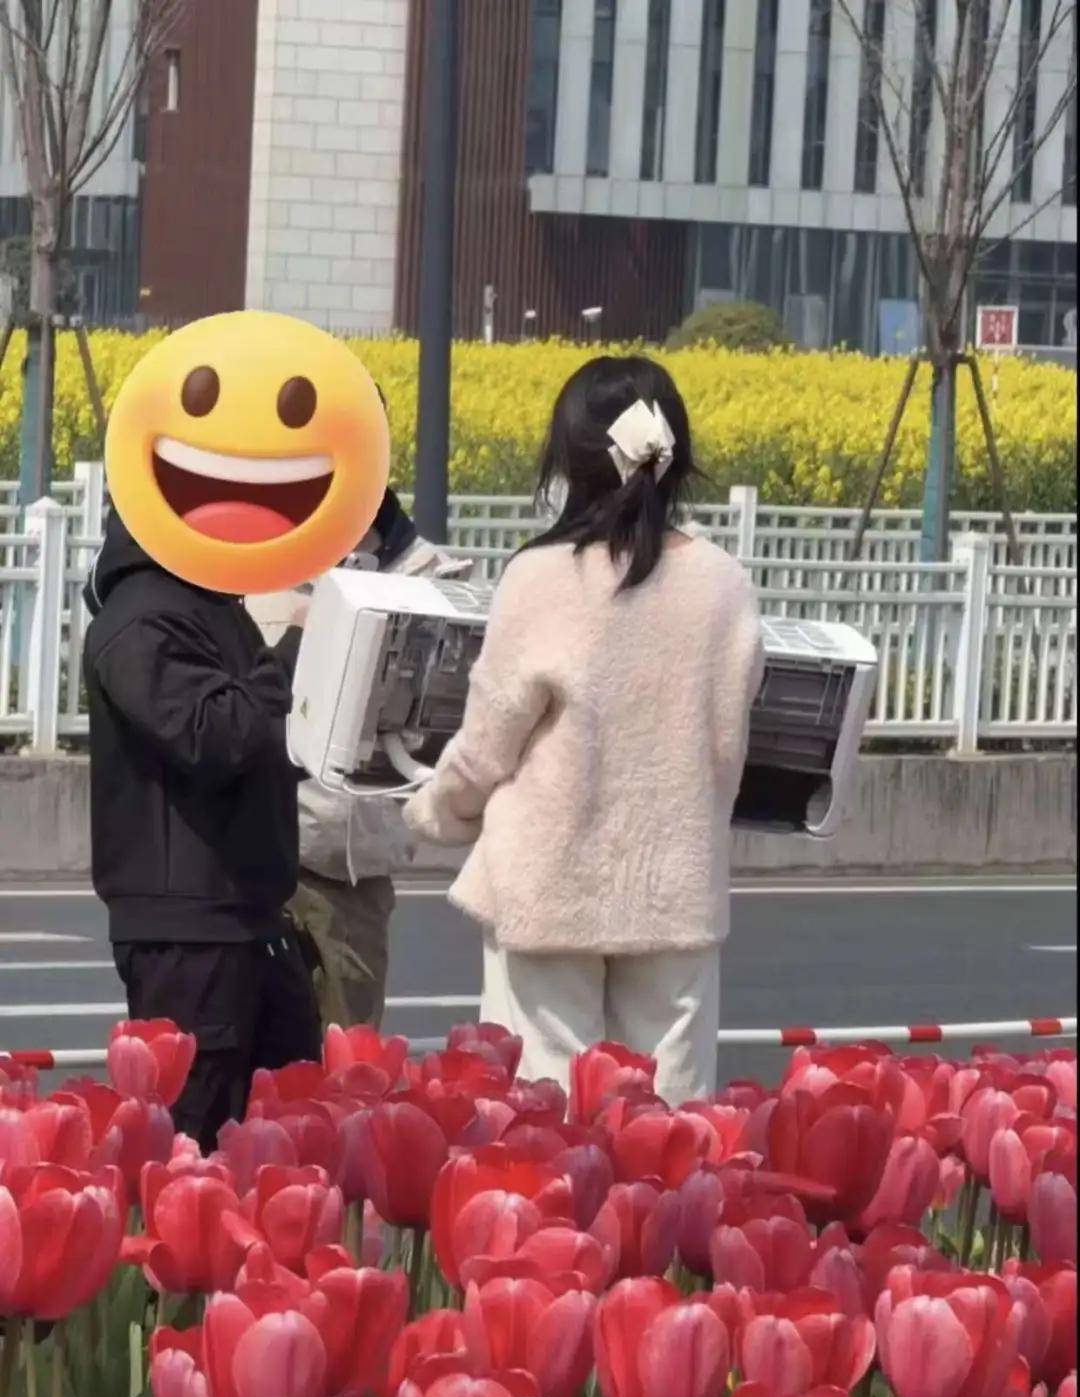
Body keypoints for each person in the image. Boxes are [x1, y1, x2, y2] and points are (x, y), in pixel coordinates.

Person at [404, 356, 764, 1104]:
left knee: (545, 1119)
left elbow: (487, 744)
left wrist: (437, 810)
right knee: (672, 1124)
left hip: (546, 885)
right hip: (674, 889)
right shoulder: (724, 585)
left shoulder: (540, 577)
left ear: (570, 459)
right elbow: (726, 750)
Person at [83, 506, 320, 1152]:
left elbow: (254, 731)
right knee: (197, 1146)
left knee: (287, 1136)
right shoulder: (141, 615)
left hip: (247, 921)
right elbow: (212, 734)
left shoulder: (207, 601)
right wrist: (297, 654)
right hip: (191, 937)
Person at [281, 484, 472, 1029]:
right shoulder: (264, 553)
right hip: (258, 850)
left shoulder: (433, 577)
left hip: (353, 866)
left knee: (348, 1053)